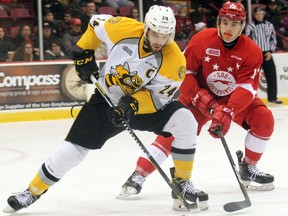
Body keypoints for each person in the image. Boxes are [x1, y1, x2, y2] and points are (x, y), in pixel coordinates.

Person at [3, 5, 200, 214]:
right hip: (106, 100)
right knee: (73, 149)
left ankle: (183, 182)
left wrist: (132, 104)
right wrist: (84, 51)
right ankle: (32, 191)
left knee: (185, 120)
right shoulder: (123, 28)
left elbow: (158, 97)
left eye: (165, 35)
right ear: (146, 28)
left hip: (142, 107)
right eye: (155, 34)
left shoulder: (175, 60)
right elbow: (95, 23)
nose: (160, 40)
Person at [117, 1, 275, 211]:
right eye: (225, 22)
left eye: (235, 24)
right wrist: (201, 98)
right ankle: (139, 175)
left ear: (243, 26)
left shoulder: (251, 51)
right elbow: (185, 73)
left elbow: (247, 88)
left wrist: (227, 111)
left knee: (264, 119)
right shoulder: (202, 39)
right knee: (174, 132)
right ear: (218, 21)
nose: (229, 29)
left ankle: (249, 167)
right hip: (197, 99)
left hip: (232, 100)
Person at [246, 7, 283, 105]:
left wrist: (270, 51)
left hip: (267, 53)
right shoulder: (251, 26)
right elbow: (247, 39)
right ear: (254, 15)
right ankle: (250, 99)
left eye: (261, 13)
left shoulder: (269, 25)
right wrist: (251, 52)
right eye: (257, 14)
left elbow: (273, 39)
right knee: (252, 77)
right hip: (256, 55)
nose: (259, 15)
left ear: (263, 14)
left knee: (272, 76)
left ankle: (272, 98)